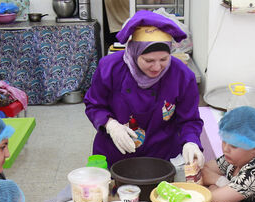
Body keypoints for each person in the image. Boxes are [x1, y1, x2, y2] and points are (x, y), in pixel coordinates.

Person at [84, 10, 204, 168]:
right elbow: (94, 105)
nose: (157, 67)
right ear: (134, 52)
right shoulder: (110, 68)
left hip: (161, 155)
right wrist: (111, 125)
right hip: (116, 150)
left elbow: (189, 119)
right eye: (149, 60)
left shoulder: (181, 75)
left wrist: (191, 142)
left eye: (164, 59)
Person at [201, 106, 255, 202]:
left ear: (254, 147)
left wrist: (216, 183)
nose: (226, 149)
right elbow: (203, 170)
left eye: (234, 146)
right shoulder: (234, 157)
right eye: (224, 141)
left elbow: (212, 200)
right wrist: (220, 182)